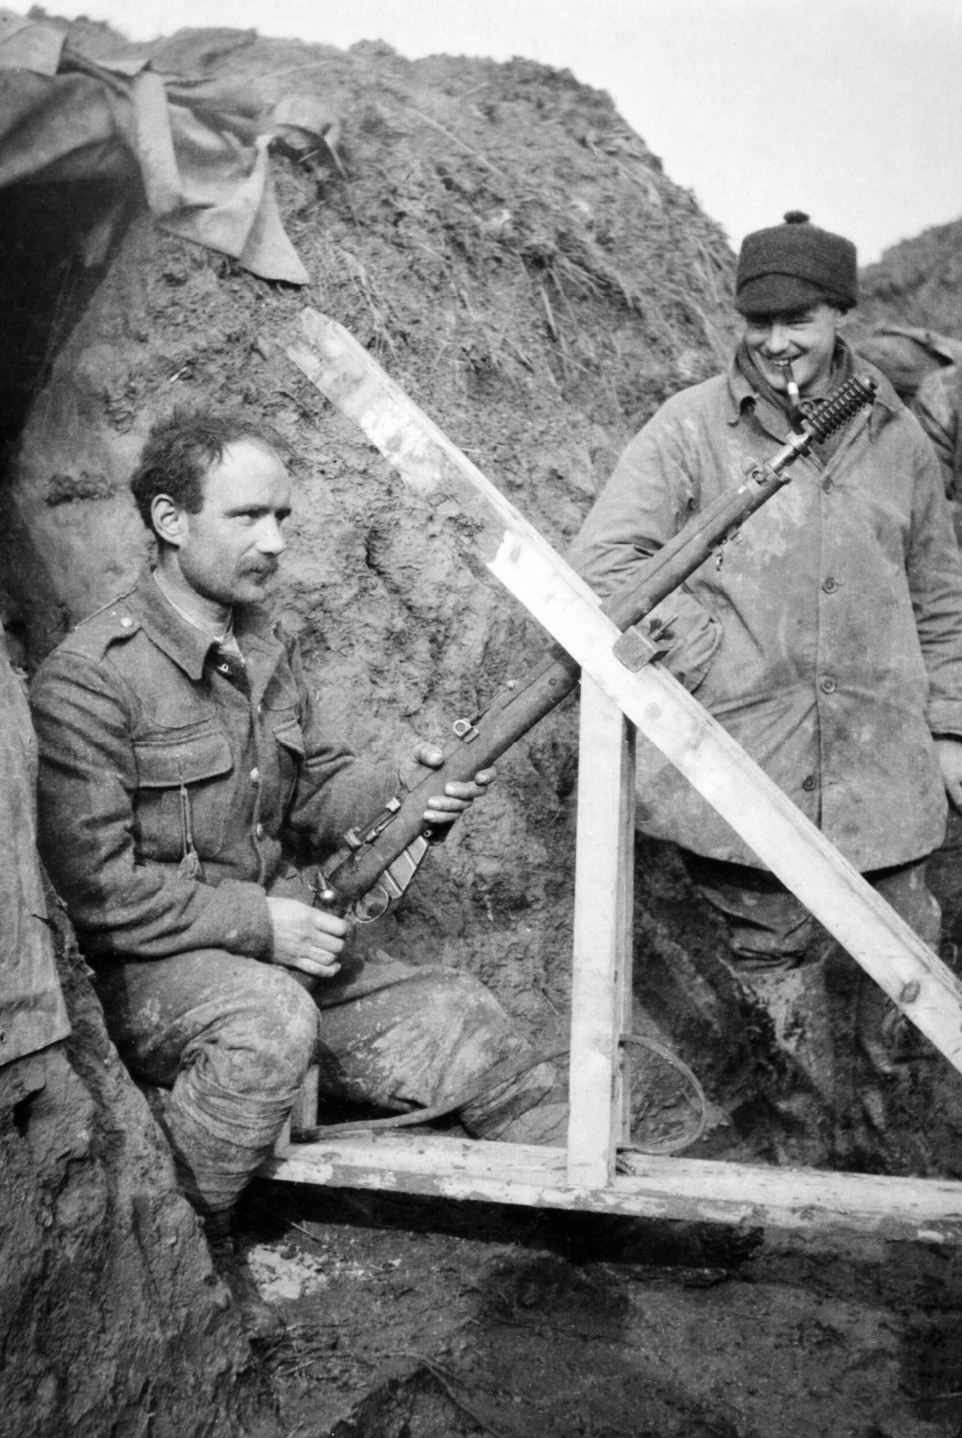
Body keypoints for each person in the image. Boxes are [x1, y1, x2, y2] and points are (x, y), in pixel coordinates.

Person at [29, 410, 565, 1330]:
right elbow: (96, 892)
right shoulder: (91, 678)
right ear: (169, 521)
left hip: (277, 945)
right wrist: (261, 925)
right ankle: (185, 1270)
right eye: (247, 517)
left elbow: (318, 788)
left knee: (459, 1014)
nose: (275, 541)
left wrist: (409, 793)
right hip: (156, 973)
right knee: (270, 1021)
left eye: (283, 516)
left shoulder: (269, 647)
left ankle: (604, 1217)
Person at [568, 212, 962, 1119]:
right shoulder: (688, 429)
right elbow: (606, 565)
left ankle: (888, 1150)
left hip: (882, 768)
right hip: (745, 764)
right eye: (759, 322)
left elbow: (939, 595)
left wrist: (946, 730)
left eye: (801, 321)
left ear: (840, 320)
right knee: (773, 984)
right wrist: (706, 653)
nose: (777, 342)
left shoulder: (895, 438)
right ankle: (799, 1151)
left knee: (904, 970)